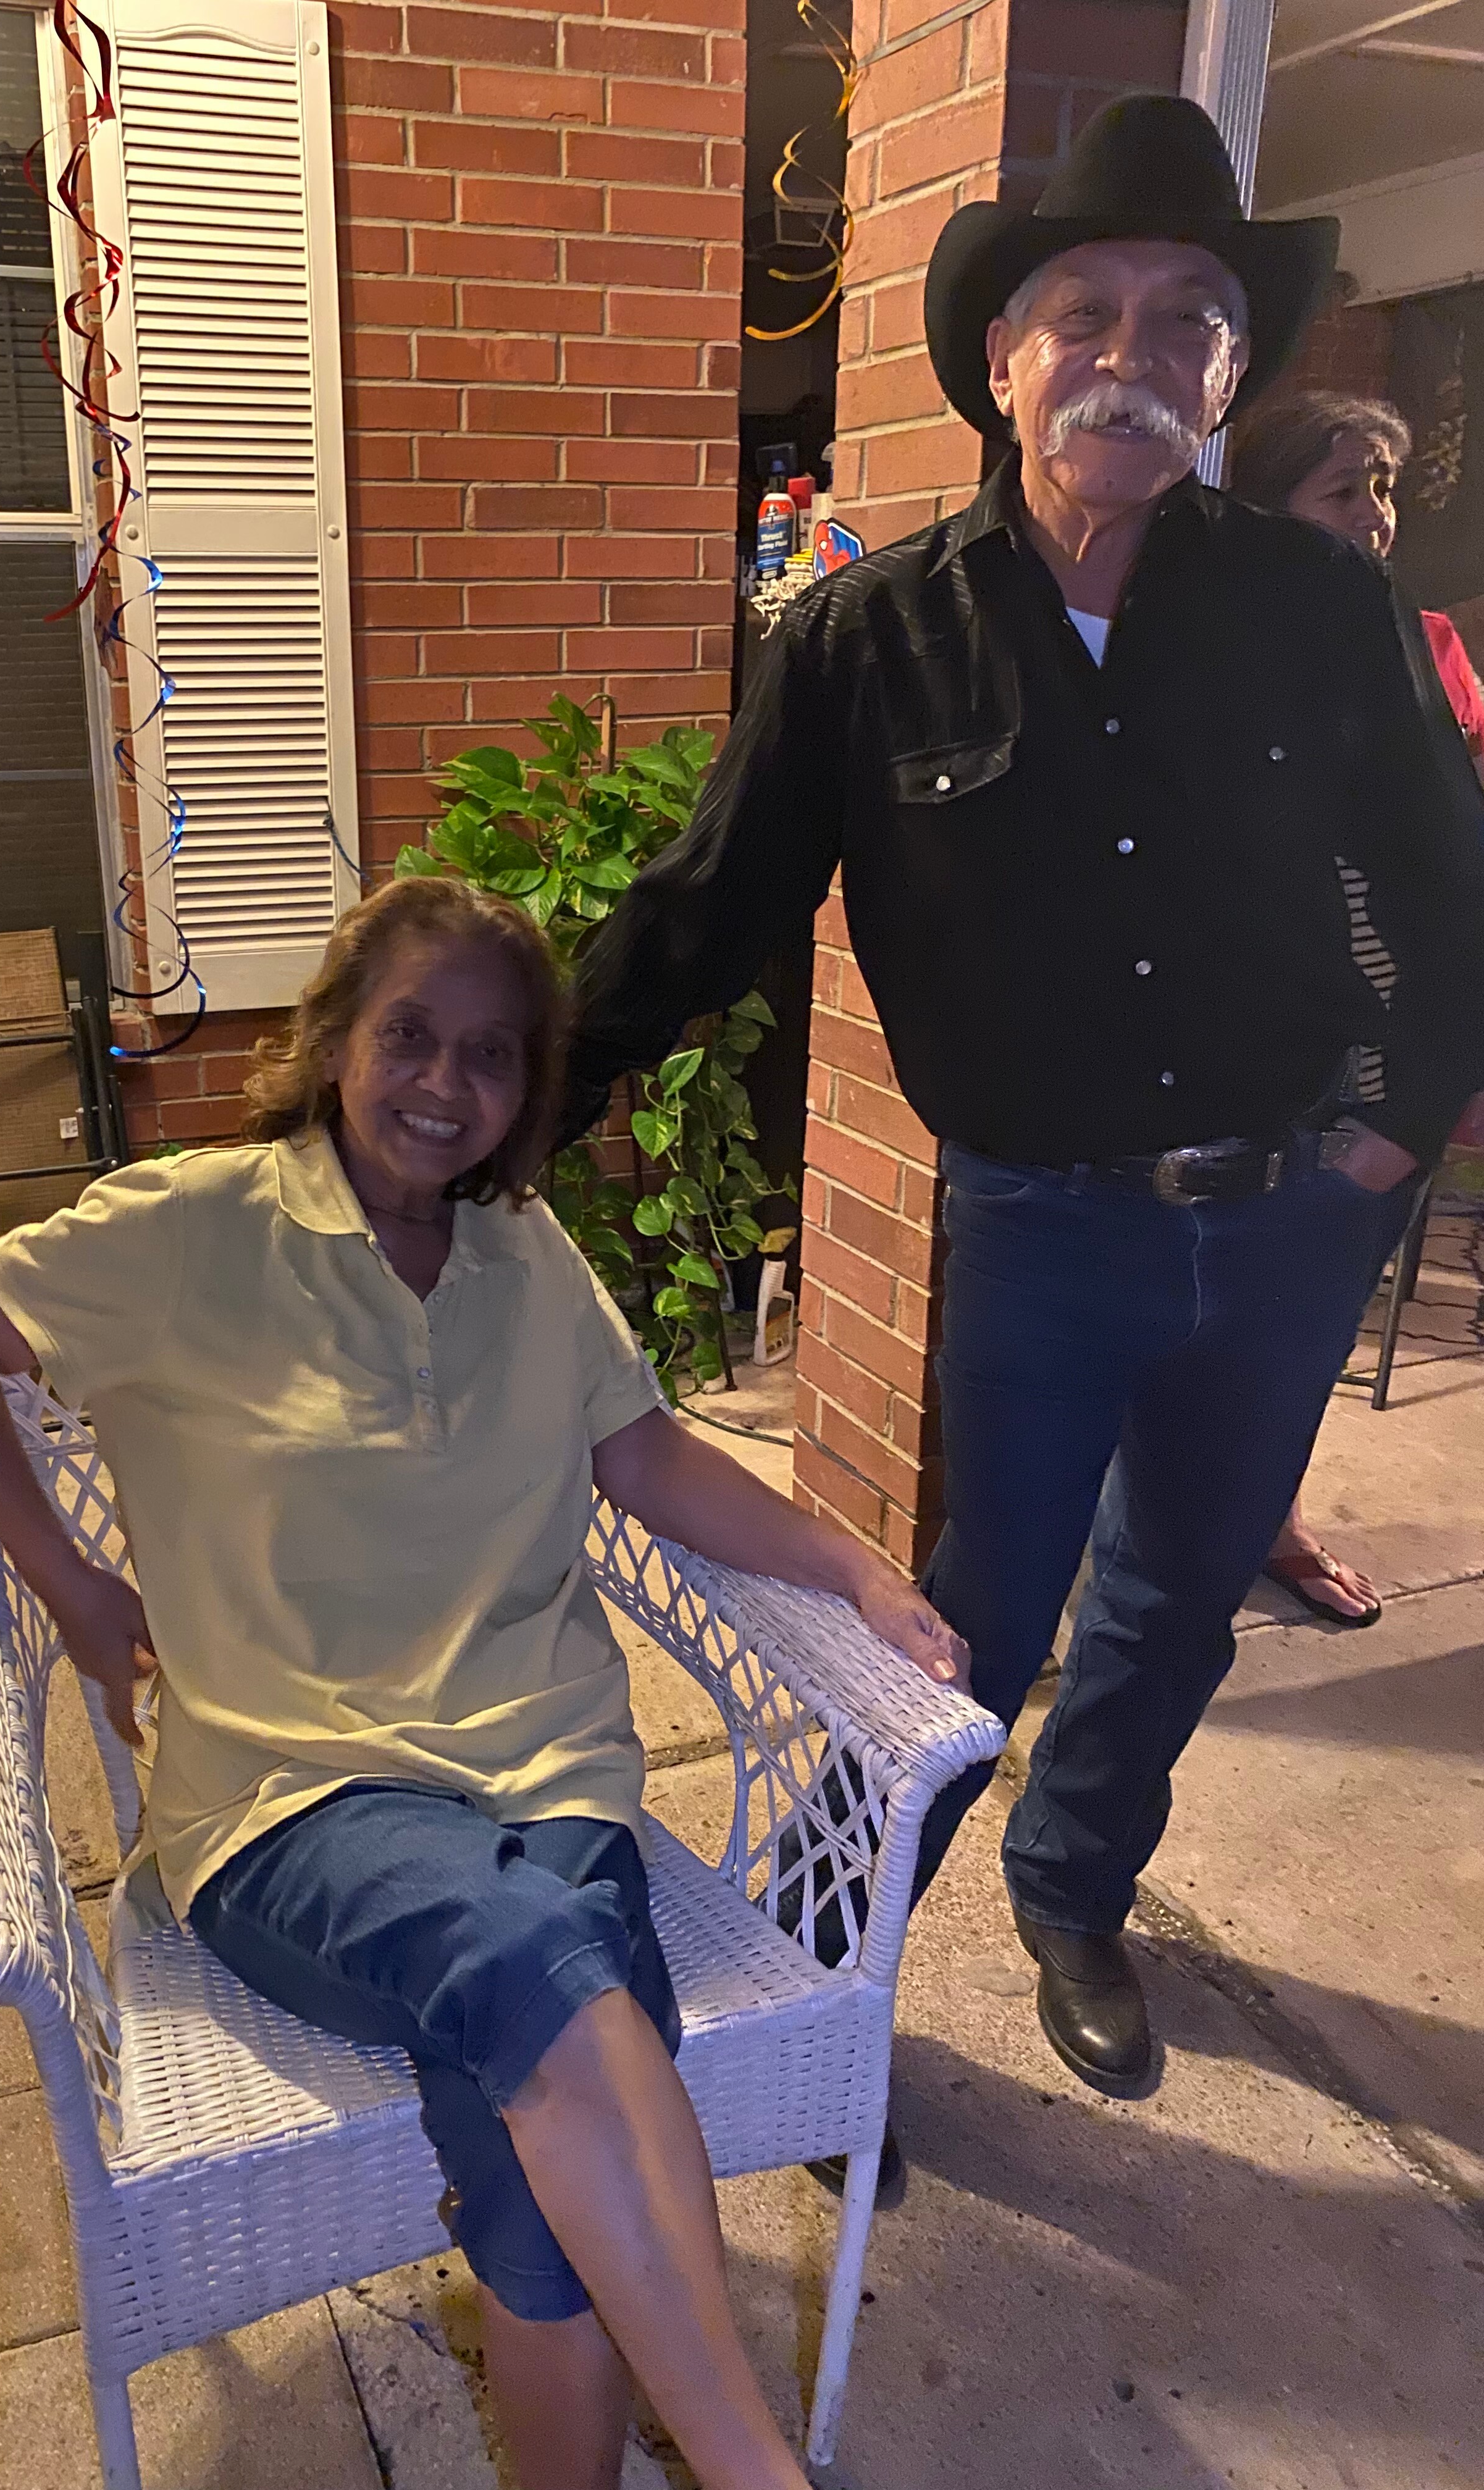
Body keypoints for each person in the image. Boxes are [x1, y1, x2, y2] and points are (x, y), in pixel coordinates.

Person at [559, 94, 1484, 2106]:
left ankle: (1074, 1894)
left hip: (1287, 1221)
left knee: (1177, 1611)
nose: (1131, 357)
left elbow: (1447, 883)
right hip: (1043, 1228)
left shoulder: (1318, 609)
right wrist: (490, 1116)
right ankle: (811, 1987)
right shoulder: (865, 639)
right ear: (1003, 358)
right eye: (1087, 314)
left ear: (1230, 374)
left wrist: (1393, 1131)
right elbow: (707, 911)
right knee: (961, 1627)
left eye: (1187, 321)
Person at [0, 873, 965, 2490]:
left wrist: (857, 1566)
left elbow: (650, 1460)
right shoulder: (187, 1229)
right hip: (293, 1801)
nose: (446, 1084)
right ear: (334, 1041)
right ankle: (757, 2471)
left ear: (527, 1087)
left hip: (552, 1777)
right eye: (410, 1037)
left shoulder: (528, 1257)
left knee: (536, 2182)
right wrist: (76, 1588)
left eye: (492, 1054)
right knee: (548, 1973)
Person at [1229, 390, 1484, 1624]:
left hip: (1384, 1058)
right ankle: (1189, 1529)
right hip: (1249, 1046)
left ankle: (1266, 1518)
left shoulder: (1421, 641)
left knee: (1314, 1318)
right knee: (1209, 1322)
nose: (1378, 517)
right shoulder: (1211, 648)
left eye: (1383, 489)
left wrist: (1428, 1092)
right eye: (1346, 491)